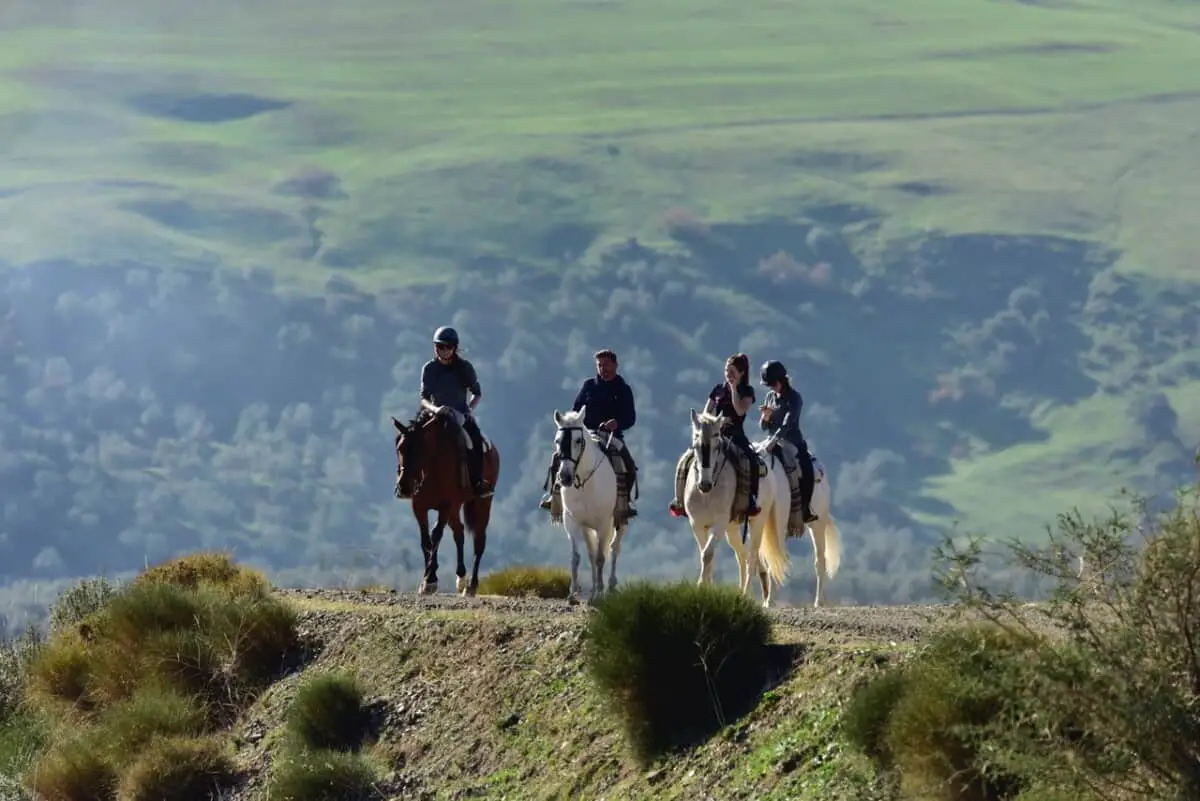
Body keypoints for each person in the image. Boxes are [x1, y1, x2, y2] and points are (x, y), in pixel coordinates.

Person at [398, 325, 493, 500]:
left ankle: (478, 482)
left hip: (459, 413)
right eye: (438, 346)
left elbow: (477, 393)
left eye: (446, 347)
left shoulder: (465, 368)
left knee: (475, 440)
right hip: (434, 412)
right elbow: (423, 398)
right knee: (407, 439)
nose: (442, 351)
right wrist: (436, 409)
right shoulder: (429, 368)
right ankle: (405, 481)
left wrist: (469, 410)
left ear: (454, 348)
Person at [539, 349, 639, 517]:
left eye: (606, 365)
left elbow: (630, 418)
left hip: (612, 437)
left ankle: (624, 503)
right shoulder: (588, 386)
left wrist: (617, 423)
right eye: (599, 365)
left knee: (628, 465)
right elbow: (576, 410)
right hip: (585, 434)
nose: (603, 369)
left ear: (615, 365)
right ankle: (554, 496)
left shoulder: (623, 390)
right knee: (559, 457)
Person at [697, 353, 761, 517]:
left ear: (741, 373)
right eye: (726, 370)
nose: (728, 374)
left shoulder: (747, 391)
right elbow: (706, 412)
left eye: (732, 371)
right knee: (693, 456)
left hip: (735, 434)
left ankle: (751, 498)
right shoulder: (718, 389)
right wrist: (715, 421)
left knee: (751, 459)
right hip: (715, 433)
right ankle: (682, 497)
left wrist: (733, 389)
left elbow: (740, 411)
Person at [759, 359, 818, 523]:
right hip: (771, 439)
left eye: (773, 384)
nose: (771, 388)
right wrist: (765, 417)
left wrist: (775, 439)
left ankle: (805, 509)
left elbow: (788, 422)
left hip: (791, 442)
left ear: (781, 381)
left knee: (807, 470)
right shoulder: (770, 396)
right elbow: (763, 426)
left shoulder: (794, 398)